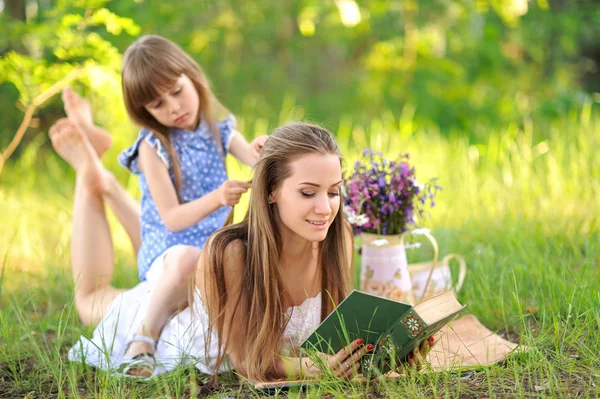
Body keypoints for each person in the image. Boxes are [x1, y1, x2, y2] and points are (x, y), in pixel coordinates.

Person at [55, 119, 432, 382]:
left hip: (189, 281)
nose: (325, 208)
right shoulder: (233, 253)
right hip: (172, 319)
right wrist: (316, 369)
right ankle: (91, 178)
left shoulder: (339, 238)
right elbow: (248, 361)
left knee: (136, 266)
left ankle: (106, 185)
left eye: (333, 191)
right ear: (270, 190)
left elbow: (338, 336)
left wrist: (396, 351)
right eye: (307, 192)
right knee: (91, 299)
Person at [64, 34, 269, 378]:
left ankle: (98, 169)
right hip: (170, 253)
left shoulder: (218, 128)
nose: (174, 107)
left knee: (208, 258)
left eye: (177, 91)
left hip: (207, 250)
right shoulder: (153, 147)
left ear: (192, 76)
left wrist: (263, 149)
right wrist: (218, 198)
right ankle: (143, 338)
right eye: (158, 105)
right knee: (183, 260)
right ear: (144, 112)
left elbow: (253, 157)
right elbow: (172, 219)